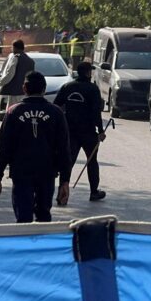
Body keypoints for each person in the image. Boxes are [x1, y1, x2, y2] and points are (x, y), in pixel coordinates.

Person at [0, 71, 72, 223]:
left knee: (23, 218)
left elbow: (4, 148)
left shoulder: (14, 112)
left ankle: (26, 238)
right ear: (44, 89)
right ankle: (41, 239)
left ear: (24, 88)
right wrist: (65, 181)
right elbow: (64, 150)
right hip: (46, 173)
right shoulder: (56, 113)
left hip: (22, 172)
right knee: (43, 216)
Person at [53, 61, 107, 202]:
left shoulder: (67, 87)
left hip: (69, 131)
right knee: (92, 161)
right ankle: (94, 192)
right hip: (88, 132)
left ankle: (62, 193)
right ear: (88, 73)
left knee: (68, 162)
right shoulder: (92, 89)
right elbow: (96, 112)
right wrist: (101, 130)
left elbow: (56, 106)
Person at [0, 40, 35, 112]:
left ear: (15, 48)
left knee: (12, 113)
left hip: (15, 93)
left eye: (12, 47)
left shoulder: (15, 58)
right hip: (26, 93)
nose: (11, 49)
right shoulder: (30, 61)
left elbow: (9, 75)